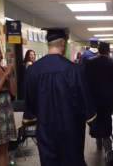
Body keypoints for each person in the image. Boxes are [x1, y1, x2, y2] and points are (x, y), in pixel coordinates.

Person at [24, 28, 96, 166]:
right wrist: (92, 120)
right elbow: (84, 99)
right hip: (71, 127)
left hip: (45, 128)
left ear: (48, 44)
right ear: (63, 43)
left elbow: (30, 101)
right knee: (73, 160)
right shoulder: (74, 70)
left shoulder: (33, 71)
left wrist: (31, 118)